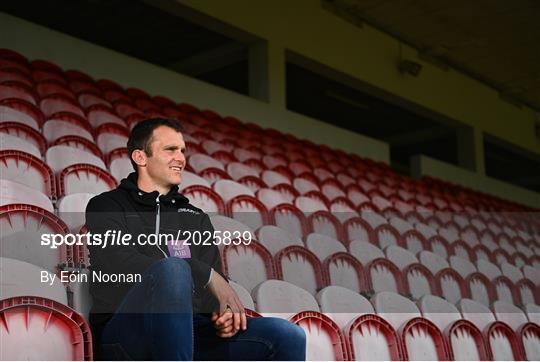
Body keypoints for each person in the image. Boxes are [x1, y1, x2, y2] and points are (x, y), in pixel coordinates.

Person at [85, 118, 306, 360]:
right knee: (173, 268)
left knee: (287, 335)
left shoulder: (195, 218)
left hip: (192, 331)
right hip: (127, 331)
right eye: (170, 149)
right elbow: (119, 264)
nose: (180, 158)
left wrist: (222, 317)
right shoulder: (106, 205)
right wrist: (200, 271)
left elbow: (215, 288)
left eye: (182, 151)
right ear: (140, 157)